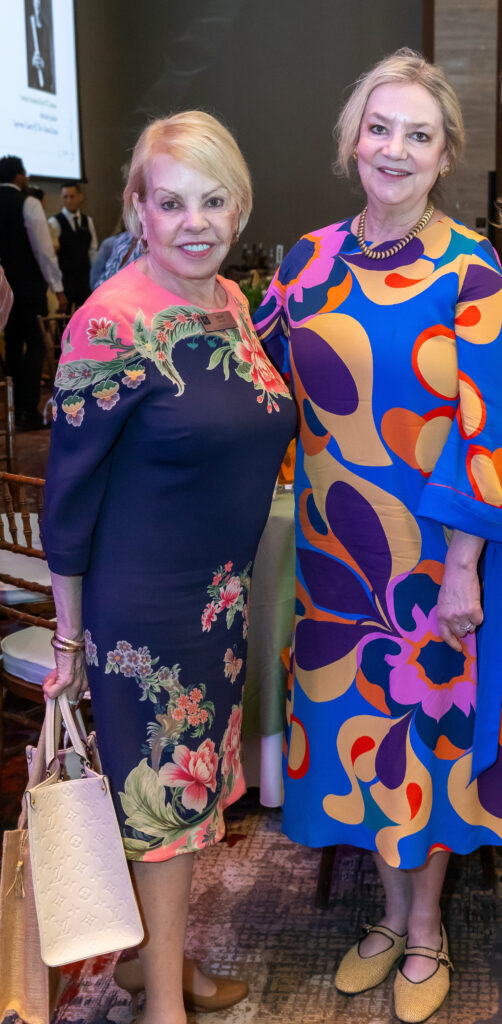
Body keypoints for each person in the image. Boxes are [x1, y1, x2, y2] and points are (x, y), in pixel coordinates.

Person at [254, 47, 502, 1023]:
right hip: (332, 556)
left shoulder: (472, 266)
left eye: (418, 134)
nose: (395, 148)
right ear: (352, 140)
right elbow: (256, 383)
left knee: (425, 744)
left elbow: (486, 426)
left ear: (445, 155)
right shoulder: (305, 261)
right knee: (362, 744)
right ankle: (391, 918)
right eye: (379, 127)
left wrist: (462, 568)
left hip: (429, 564)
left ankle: (426, 927)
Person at [42, 110, 296, 1024]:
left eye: (214, 201)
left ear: (240, 208)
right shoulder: (108, 323)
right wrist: (69, 639)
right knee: (162, 813)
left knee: (188, 806)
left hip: (217, 606)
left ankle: (156, 967)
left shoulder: (230, 302)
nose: (195, 222)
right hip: (141, 616)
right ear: (137, 209)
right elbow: (68, 498)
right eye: (172, 202)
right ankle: (162, 1007)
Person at [0, 155, 67, 429]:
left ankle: (12, 409)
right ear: (19, 176)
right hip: (28, 289)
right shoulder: (28, 203)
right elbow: (44, 251)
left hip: (2, 292)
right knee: (36, 344)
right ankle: (28, 410)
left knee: (12, 346)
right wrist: (58, 288)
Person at [49, 182, 98, 310]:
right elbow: (51, 256)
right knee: (65, 318)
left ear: (80, 197)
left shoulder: (88, 220)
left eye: (72, 196)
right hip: (65, 281)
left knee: (86, 315)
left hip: (85, 280)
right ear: (61, 198)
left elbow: (93, 250)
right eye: (65, 197)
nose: (69, 200)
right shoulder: (54, 222)